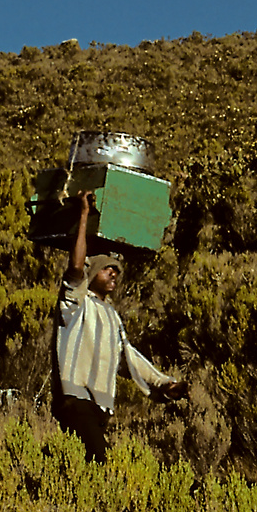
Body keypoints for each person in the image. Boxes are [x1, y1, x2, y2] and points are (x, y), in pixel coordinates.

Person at [52, 191, 188, 461]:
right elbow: (77, 265)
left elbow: (129, 358)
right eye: (106, 269)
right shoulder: (76, 304)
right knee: (98, 463)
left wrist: (164, 384)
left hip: (100, 407)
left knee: (87, 469)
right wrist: (83, 216)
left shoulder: (112, 317)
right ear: (91, 275)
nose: (113, 273)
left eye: (116, 270)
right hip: (76, 401)